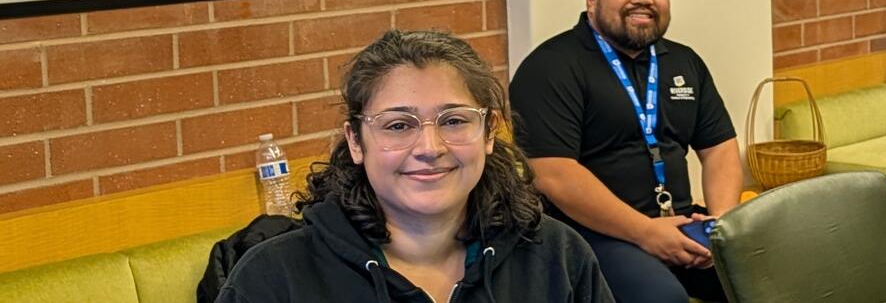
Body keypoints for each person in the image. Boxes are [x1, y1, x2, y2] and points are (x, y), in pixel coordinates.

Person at [217, 30, 612, 302]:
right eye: (398, 125)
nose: (429, 147)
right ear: (356, 142)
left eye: (454, 120)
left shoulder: (557, 257)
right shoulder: (273, 278)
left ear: (489, 132)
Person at [508, 0, 740, 303]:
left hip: (679, 223)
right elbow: (554, 174)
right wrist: (645, 232)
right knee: (662, 298)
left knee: (766, 272)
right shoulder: (551, 66)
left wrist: (723, 223)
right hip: (590, 235)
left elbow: (719, 147)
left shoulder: (684, 62)